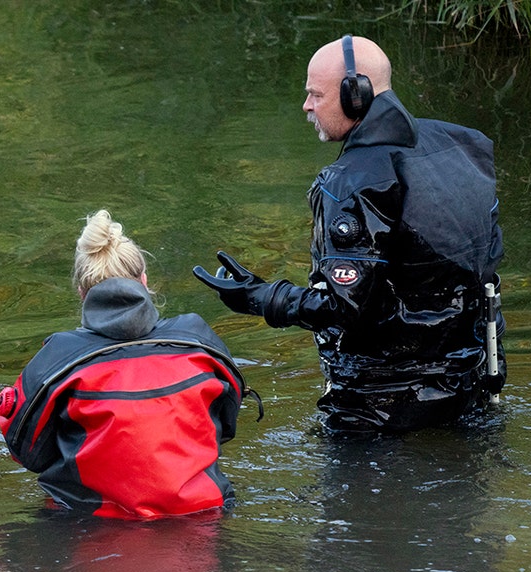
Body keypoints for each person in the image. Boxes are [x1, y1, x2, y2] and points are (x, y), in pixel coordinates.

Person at [194, 34, 505, 433]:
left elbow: (350, 311)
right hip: (471, 381)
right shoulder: (463, 145)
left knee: (348, 497)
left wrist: (263, 298)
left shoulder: (350, 183)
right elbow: (484, 265)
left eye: (315, 95)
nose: (306, 106)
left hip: (377, 404)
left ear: (354, 95)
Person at [0, 210, 252, 519]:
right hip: (202, 514)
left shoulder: (59, 358)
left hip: (89, 524)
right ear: (144, 281)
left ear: (81, 293)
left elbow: (27, 452)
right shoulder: (198, 339)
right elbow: (226, 425)